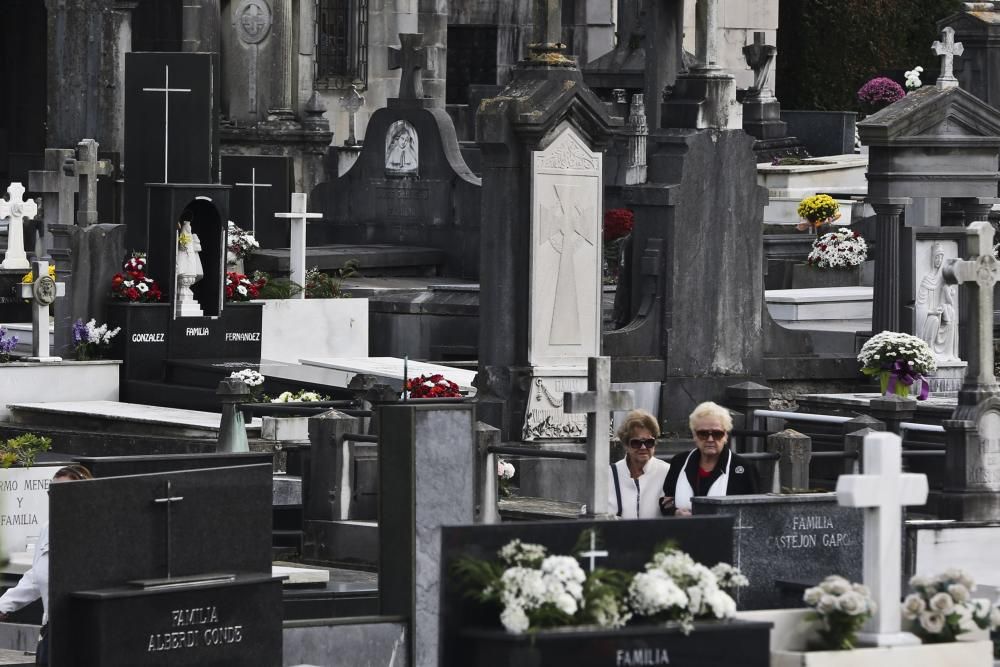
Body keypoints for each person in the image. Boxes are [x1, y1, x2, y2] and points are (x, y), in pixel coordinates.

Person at [0, 464, 93, 665]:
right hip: (53, 633)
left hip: (88, 636)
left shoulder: (98, 529)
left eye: (64, 492)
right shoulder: (48, 528)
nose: (57, 499)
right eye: (53, 492)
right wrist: (4, 605)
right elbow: (37, 576)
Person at [660, 402, 758, 516]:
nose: (710, 439)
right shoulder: (680, 462)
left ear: (726, 435)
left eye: (717, 434)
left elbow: (754, 513)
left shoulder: (744, 468)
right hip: (685, 531)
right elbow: (665, 503)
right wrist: (675, 512)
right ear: (694, 435)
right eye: (703, 433)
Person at [608, 409, 670, 518]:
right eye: (636, 443)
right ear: (626, 445)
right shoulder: (610, 474)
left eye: (649, 442)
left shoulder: (667, 472)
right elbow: (591, 511)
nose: (643, 447)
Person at [915, 241, 958, 361]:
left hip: (940, 313)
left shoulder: (942, 279)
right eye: (937, 257)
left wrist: (950, 294)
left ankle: (949, 354)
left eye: (941, 257)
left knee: (952, 313)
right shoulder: (926, 279)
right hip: (929, 316)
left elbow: (947, 297)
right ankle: (930, 352)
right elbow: (920, 306)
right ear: (932, 258)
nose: (939, 260)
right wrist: (932, 311)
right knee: (934, 320)